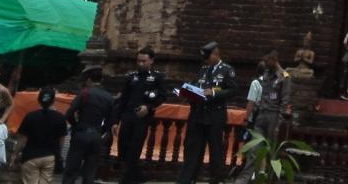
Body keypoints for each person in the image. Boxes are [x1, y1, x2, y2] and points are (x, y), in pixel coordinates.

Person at [176, 41, 237, 184]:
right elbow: (195, 85)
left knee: (215, 151)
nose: (206, 60)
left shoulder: (226, 70)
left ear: (215, 54)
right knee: (193, 150)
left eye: (207, 57)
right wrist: (186, 93)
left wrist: (214, 93)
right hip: (198, 115)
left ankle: (216, 180)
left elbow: (233, 90)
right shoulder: (203, 69)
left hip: (215, 116)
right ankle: (187, 180)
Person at [112, 45, 168, 184]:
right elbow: (123, 99)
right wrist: (115, 121)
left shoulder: (157, 77)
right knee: (123, 147)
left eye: (144, 61)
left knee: (135, 148)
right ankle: (138, 176)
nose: (141, 64)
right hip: (127, 115)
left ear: (151, 61)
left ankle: (126, 180)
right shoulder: (131, 77)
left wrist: (149, 107)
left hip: (142, 118)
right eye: (138, 61)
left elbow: (162, 97)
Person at [238, 52, 292, 183]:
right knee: (254, 148)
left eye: (267, 61)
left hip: (274, 116)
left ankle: (269, 179)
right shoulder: (266, 74)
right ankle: (244, 179)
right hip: (261, 115)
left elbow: (285, 101)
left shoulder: (285, 76)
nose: (265, 64)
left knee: (271, 150)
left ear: (274, 60)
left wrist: (279, 123)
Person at [61, 66, 114, 184]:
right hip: (96, 135)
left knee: (71, 169)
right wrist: (102, 131)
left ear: (89, 80)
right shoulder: (109, 97)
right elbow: (111, 119)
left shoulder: (84, 93)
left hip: (81, 133)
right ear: (101, 80)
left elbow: (69, 113)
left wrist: (75, 125)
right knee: (90, 171)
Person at [12, 87, 67, 184]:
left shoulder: (30, 116)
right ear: (53, 101)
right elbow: (61, 141)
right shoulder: (60, 118)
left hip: (30, 156)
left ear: (38, 100)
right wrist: (58, 155)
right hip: (49, 157)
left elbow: (22, 140)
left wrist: (15, 154)